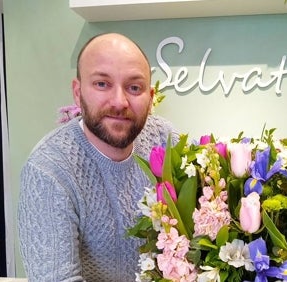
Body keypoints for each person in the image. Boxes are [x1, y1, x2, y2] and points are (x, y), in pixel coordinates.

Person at [18, 33, 178, 281]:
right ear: (77, 92)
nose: (119, 101)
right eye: (102, 84)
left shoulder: (166, 140)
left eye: (134, 87)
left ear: (151, 97)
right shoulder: (49, 170)